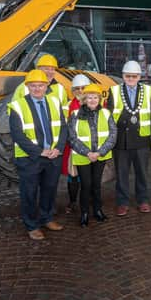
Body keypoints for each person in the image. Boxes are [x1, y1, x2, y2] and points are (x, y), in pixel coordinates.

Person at [8, 69, 67, 240]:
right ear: (27, 87)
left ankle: (47, 218)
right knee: (29, 192)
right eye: (33, 86)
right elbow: (17, 134)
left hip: (53, 156)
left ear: (46, 86)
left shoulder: (54, 102)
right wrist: (40, 151)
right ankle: (31, 225)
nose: (37, 89)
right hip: (30, 159)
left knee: (49, 190)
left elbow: (63, 127)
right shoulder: (18, 106)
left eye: (40, 85)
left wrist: (59, 148)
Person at [108, 60, 151, 216]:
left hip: (141, 139)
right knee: (122, 174)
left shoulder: (148, 91)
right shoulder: (114, 91)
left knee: (142, 173)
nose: (131, 79)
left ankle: (143, 200)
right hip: (122, 140)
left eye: (134, 76)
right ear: (123, 76)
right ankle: (122, 202)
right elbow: (109, 116)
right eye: (128, 76)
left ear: (139, 76)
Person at [68, 84, 117, 227]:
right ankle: (84, 213)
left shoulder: (107, 113)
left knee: (96, 185)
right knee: (86, 185)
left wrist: (100, 152)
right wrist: (88, 153)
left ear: (99, 99)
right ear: (84, 99)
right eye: (89, 97)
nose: (92, 100)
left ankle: (97, 210)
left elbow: (113, 135)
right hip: (83, 157)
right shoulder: (75, 115)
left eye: (95, 97)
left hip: (100, 156)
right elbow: (72, 137)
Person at [62, 74, 90, 214]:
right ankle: (72, 202)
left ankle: (88, 200)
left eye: (83, 88)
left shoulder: (94, 103)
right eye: (77, 88)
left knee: (88, 177)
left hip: (91, 148)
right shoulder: (67, 107)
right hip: (74, 148)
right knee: (73, 176)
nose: (80, 91)